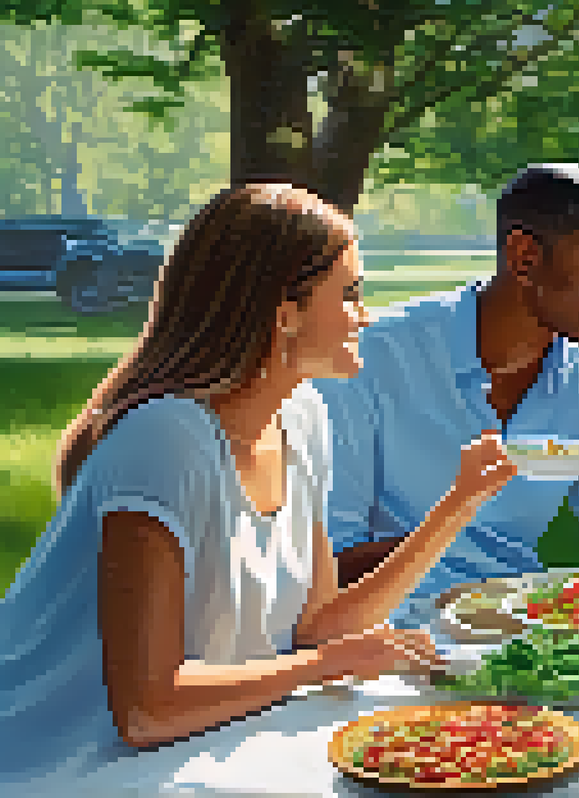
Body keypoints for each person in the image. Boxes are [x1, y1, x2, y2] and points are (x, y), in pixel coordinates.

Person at [0, 184, 515, 786]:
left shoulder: (304, 416)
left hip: (186, 748)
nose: (365, 315)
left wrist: (455, 508)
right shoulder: (165, 438)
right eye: (349, 294)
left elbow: (317, 626)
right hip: (54, 764)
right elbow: (146, 710)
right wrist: (324, 665)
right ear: (284, 310)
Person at [313, 163, 579, 628]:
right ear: (524, 255)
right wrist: (449, 569)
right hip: (389, 631)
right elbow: (330, 556)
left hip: (524, 627)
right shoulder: (372, 360)